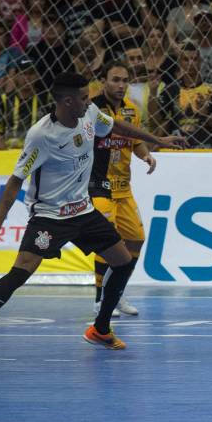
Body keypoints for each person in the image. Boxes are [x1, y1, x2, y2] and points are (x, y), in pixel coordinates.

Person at [0, 73, 186, 359]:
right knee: (19, 274)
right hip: (49, 217)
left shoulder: (90, 115)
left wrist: (156, 139)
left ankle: (100, 329)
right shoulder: (41, 135)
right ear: (68, 101)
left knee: (123, 261)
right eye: (84, 97)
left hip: (84, 211)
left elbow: (117, 127)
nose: (90, 101)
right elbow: (14, 181)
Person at [90, 62, 160, 318]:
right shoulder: (93, 109)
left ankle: (116, 293)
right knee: (106, 242)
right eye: (115, 80)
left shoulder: (132, 111)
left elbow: (135, 141)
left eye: (124, 81)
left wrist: (146, 156)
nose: (120, 85)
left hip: (124, 189)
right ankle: (100, 298)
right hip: (99, 188)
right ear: (103, 82)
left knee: (136, 240)